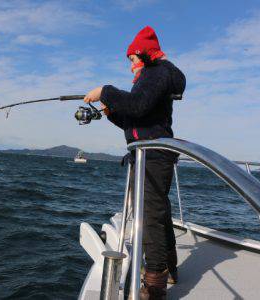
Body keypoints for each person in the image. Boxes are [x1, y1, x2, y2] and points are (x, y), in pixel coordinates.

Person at [83, 26, 186, 299]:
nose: (130, 65)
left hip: (153, 156)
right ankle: (171, 269)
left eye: (132, 59)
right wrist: (110, 112)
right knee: (159, 214)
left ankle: (154, 287)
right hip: (147, 154)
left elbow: (137, 105)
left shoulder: (157, 73)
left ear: (143, 54)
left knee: (150, 218)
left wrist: (105, 91)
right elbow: (135, 119)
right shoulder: (150, 76)